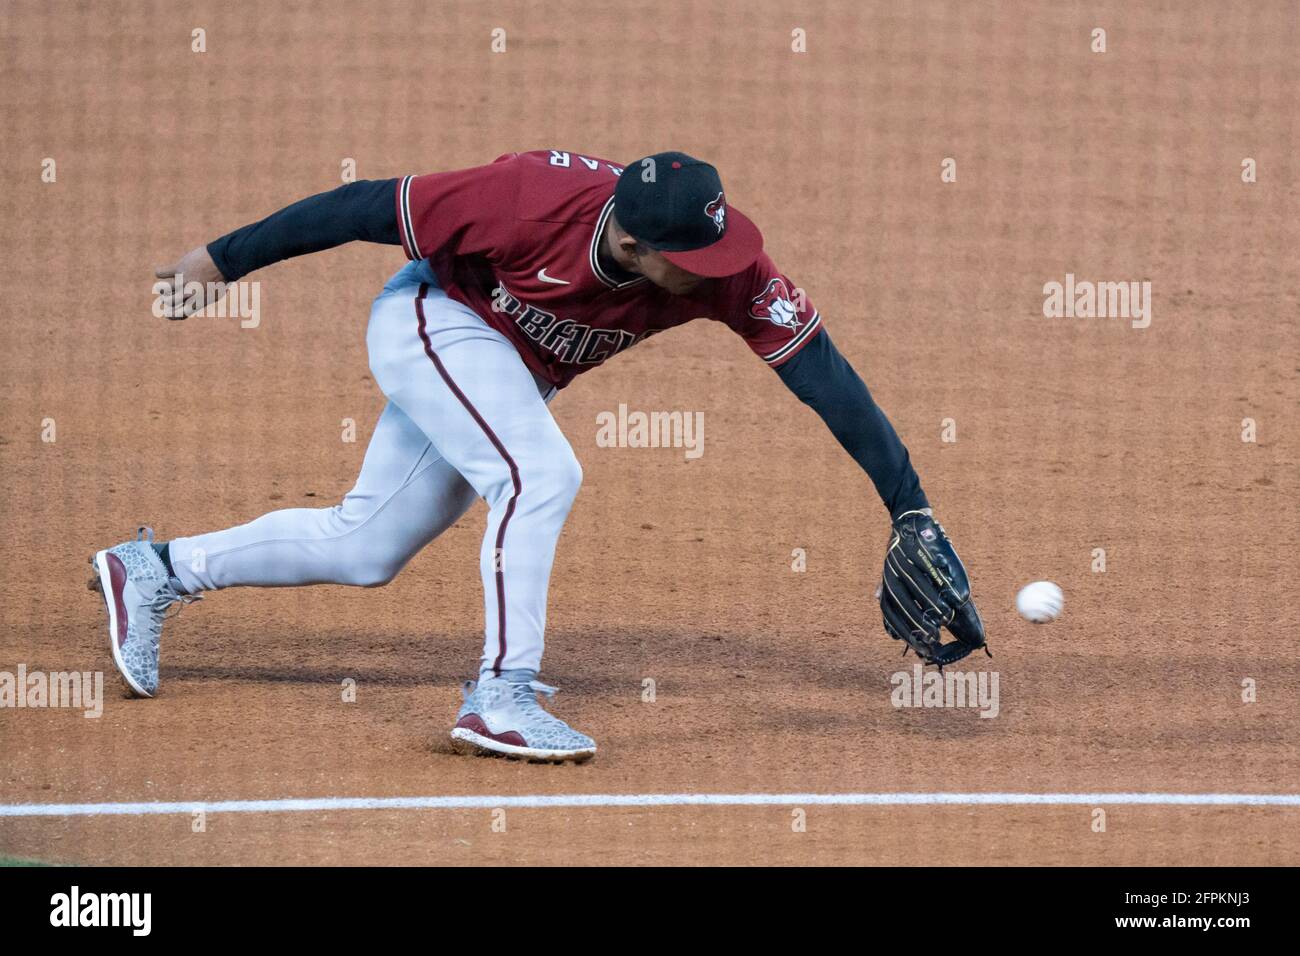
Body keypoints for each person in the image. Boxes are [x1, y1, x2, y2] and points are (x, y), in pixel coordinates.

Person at [90, 150, 986, 764]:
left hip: (505, 375)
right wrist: (217, 264)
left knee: (365, 548)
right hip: (435, 323)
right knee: (540, 474)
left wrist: (908, 503)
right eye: (699, 255)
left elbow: (821, 373)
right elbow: (361, 206)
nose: (723, 266)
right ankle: (502, 696)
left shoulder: (727, 269)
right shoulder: (527, 196)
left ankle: (156, 568)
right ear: (634, 244)